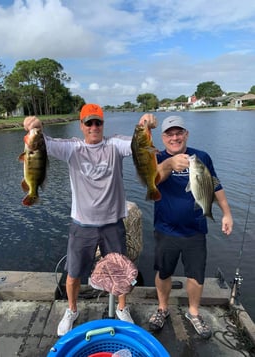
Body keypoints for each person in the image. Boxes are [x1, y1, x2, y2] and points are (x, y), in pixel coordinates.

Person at [23, 104, 156, 337]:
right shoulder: (72, 148)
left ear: (103, 124)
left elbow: (138, 145)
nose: (94, 127)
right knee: (74, 273)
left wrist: (145, 124)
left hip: (113, 223)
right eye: (89, 123)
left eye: (98, 122)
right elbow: (43, 142)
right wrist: (35, 125)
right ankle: (72, 310)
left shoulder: (115, 145)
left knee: (119, 271)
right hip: (81, 224)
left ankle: (122, 308)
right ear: (81, 125)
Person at [148, 115, 233, 339]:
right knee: (163, 272)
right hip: (165, 229)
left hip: (195, 229)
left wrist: (226, 213)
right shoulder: (155, 158)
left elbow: (215, 185)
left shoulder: (202, 157)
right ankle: (162, 308)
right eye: (169, 133)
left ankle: (193, 313)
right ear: (162, 136)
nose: (174, 137)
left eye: (179, 132)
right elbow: (152, 183)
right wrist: (168, 164)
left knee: (196, 276)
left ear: (186, 134)